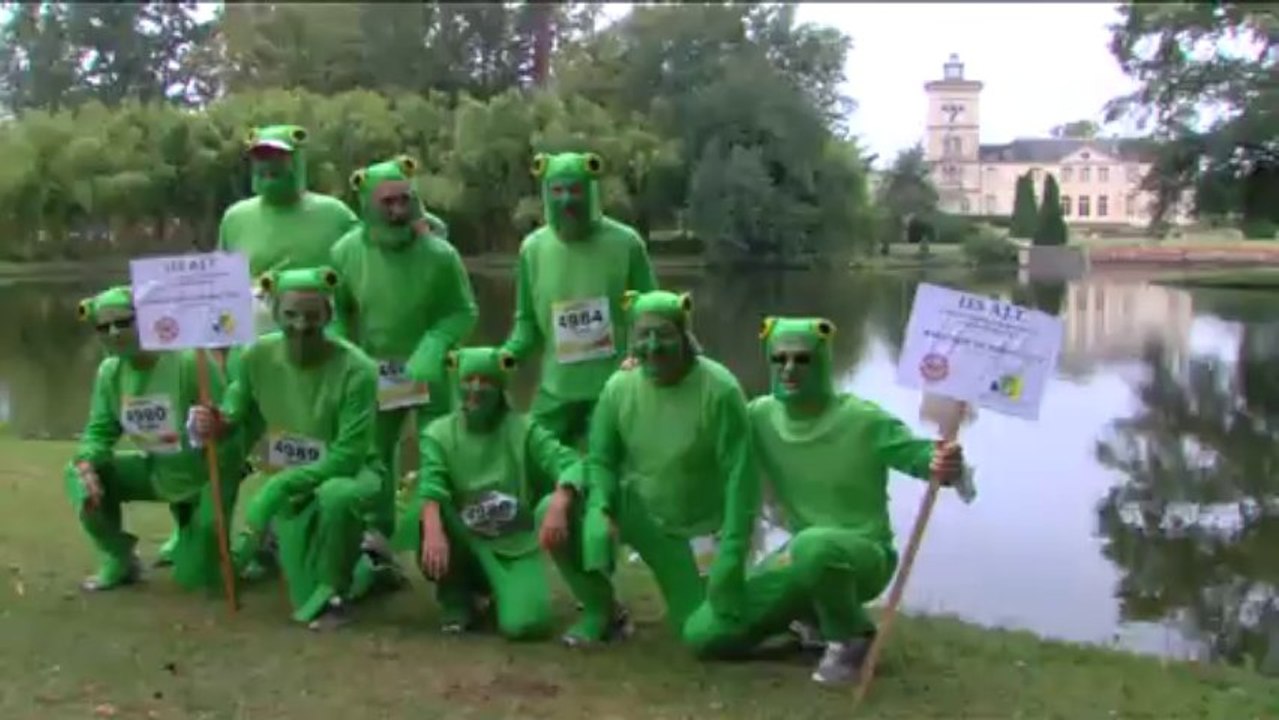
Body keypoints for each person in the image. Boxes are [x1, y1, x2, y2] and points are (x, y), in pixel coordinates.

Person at [681, 317, 968, 685]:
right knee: (703, 635)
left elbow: (924, 458)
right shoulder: (759, 416)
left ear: (823, 362)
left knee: (814, 547)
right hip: (799, 557)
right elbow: (707, 418)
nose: (789, 369)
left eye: (801, 359)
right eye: (779, 359)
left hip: (864, 555)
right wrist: (645, 373)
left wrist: (947, 464)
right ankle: (811, 619)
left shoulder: (863, 419)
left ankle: (852, 638)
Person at [538, 289, 758, 646]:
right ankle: (602, 611)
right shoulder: (619, 386)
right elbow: (602, 460)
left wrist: (732, 553)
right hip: (641, 513)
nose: (653, 346)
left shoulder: (720, 389)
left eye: (665, 335)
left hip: (700, 532)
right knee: (549, 513)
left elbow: (741, 478)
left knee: (706, 635)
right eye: (644, 335)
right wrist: (600, 510)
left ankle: (789, 607)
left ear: (685, 337)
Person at [188, 267, 385, 630]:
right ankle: (370, 561)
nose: (301, 325)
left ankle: (337, 593)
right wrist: (213, 423)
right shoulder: (253, 356)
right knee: (302, 589)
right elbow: (234, 412)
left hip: (352, 474)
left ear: (328, 314)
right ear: (276, 313)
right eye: (291, 315)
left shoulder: (359, 369)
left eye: (312, 316)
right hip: (291, 479)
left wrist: (278, 487)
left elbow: (348, 457)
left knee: (337, 497)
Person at [330, 155, 478, 544]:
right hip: (376, 371)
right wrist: (346, 354)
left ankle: (446, 529)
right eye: (387, 202)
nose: (397, 210)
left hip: (432, 372)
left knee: (442, 448)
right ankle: (377, 536)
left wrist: (435, 345)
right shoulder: (345, 252)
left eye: (404, 200)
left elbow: (463, 311)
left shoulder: (440, 254)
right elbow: (336, 311)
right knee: (374, 453)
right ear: (366, 203)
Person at [65, 286, 244, 593]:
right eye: (104, 327)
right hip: (157, 470)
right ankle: (120, 558)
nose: (115, 333)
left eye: (123, 322)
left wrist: (218, 423)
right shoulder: (110, 372)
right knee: (78, 477)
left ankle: (235, 547)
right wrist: (86, 461)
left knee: (199, 579)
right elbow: (100, 431)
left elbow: (233, 423)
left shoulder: (190, 361)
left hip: (206, 477)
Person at [406, 346, 587, 640]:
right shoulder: (437, 434)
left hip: (513, 539)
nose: (475, 389)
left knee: (527, 625)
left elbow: (569, 463)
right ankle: (455, 596)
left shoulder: (525, 429)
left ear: (501, 387)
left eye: (486, 381)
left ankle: (497, 592)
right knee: (427, 510)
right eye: (468, 380)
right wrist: (433, 527)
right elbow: (431, 483)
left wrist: (559, 501)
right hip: (462, 534)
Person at [501, 151, 657, 448]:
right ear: (545, 193)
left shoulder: (626, 243)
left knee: (605, 476)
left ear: (590, 190)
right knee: (530, 461)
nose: (566, 200)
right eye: (557, 191)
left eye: (575, 190)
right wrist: (504, 360)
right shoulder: (532, 249)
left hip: (613, 390)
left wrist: (642, 356)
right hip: (554, 392)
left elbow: (652, 314)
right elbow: (527, 326)